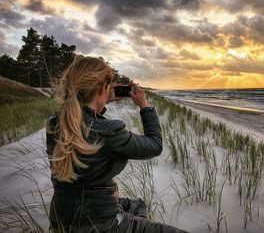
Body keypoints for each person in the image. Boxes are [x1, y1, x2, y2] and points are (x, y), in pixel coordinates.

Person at [45, 55, 188, 232]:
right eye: (108, 85)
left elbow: (84, 122)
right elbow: (154, 145)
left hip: (61, 220)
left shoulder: (54, 123)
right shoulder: (108, 131)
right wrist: (145, 107)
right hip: (101, 224)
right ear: (102, 88)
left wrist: (99, 102)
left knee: (138, 206)